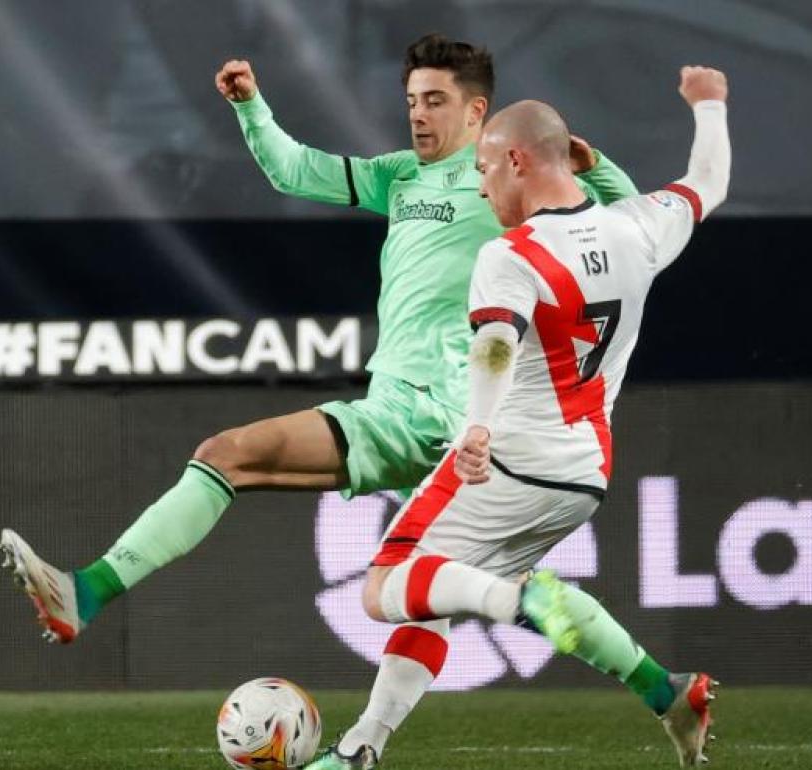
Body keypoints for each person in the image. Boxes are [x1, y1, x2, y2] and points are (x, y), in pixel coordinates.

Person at [0, 35, 636, 651]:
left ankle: (88, 592)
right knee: (469, 586)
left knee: (241, 465)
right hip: (407, 409)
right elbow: (295, 170)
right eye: (412, 100)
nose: (418, 114)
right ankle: (659, 685)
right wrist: (251, 106)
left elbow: (633, 222)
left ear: (477, 111)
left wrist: (595, 166)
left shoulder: (504, 184)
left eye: (435, 100)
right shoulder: (400, 175)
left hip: (449, 414)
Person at [306, 66, 731, 770]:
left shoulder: (512, 254)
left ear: (516, 161)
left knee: (385, 590)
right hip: (584, 472)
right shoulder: (638, 224)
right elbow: (708, 181)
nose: (480, 188)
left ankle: (517, 606)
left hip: (509, 459)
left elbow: (496, 342)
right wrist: (709, 106)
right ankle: (666, 693)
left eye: (482, 170)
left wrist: (476, 424)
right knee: (436, 590)